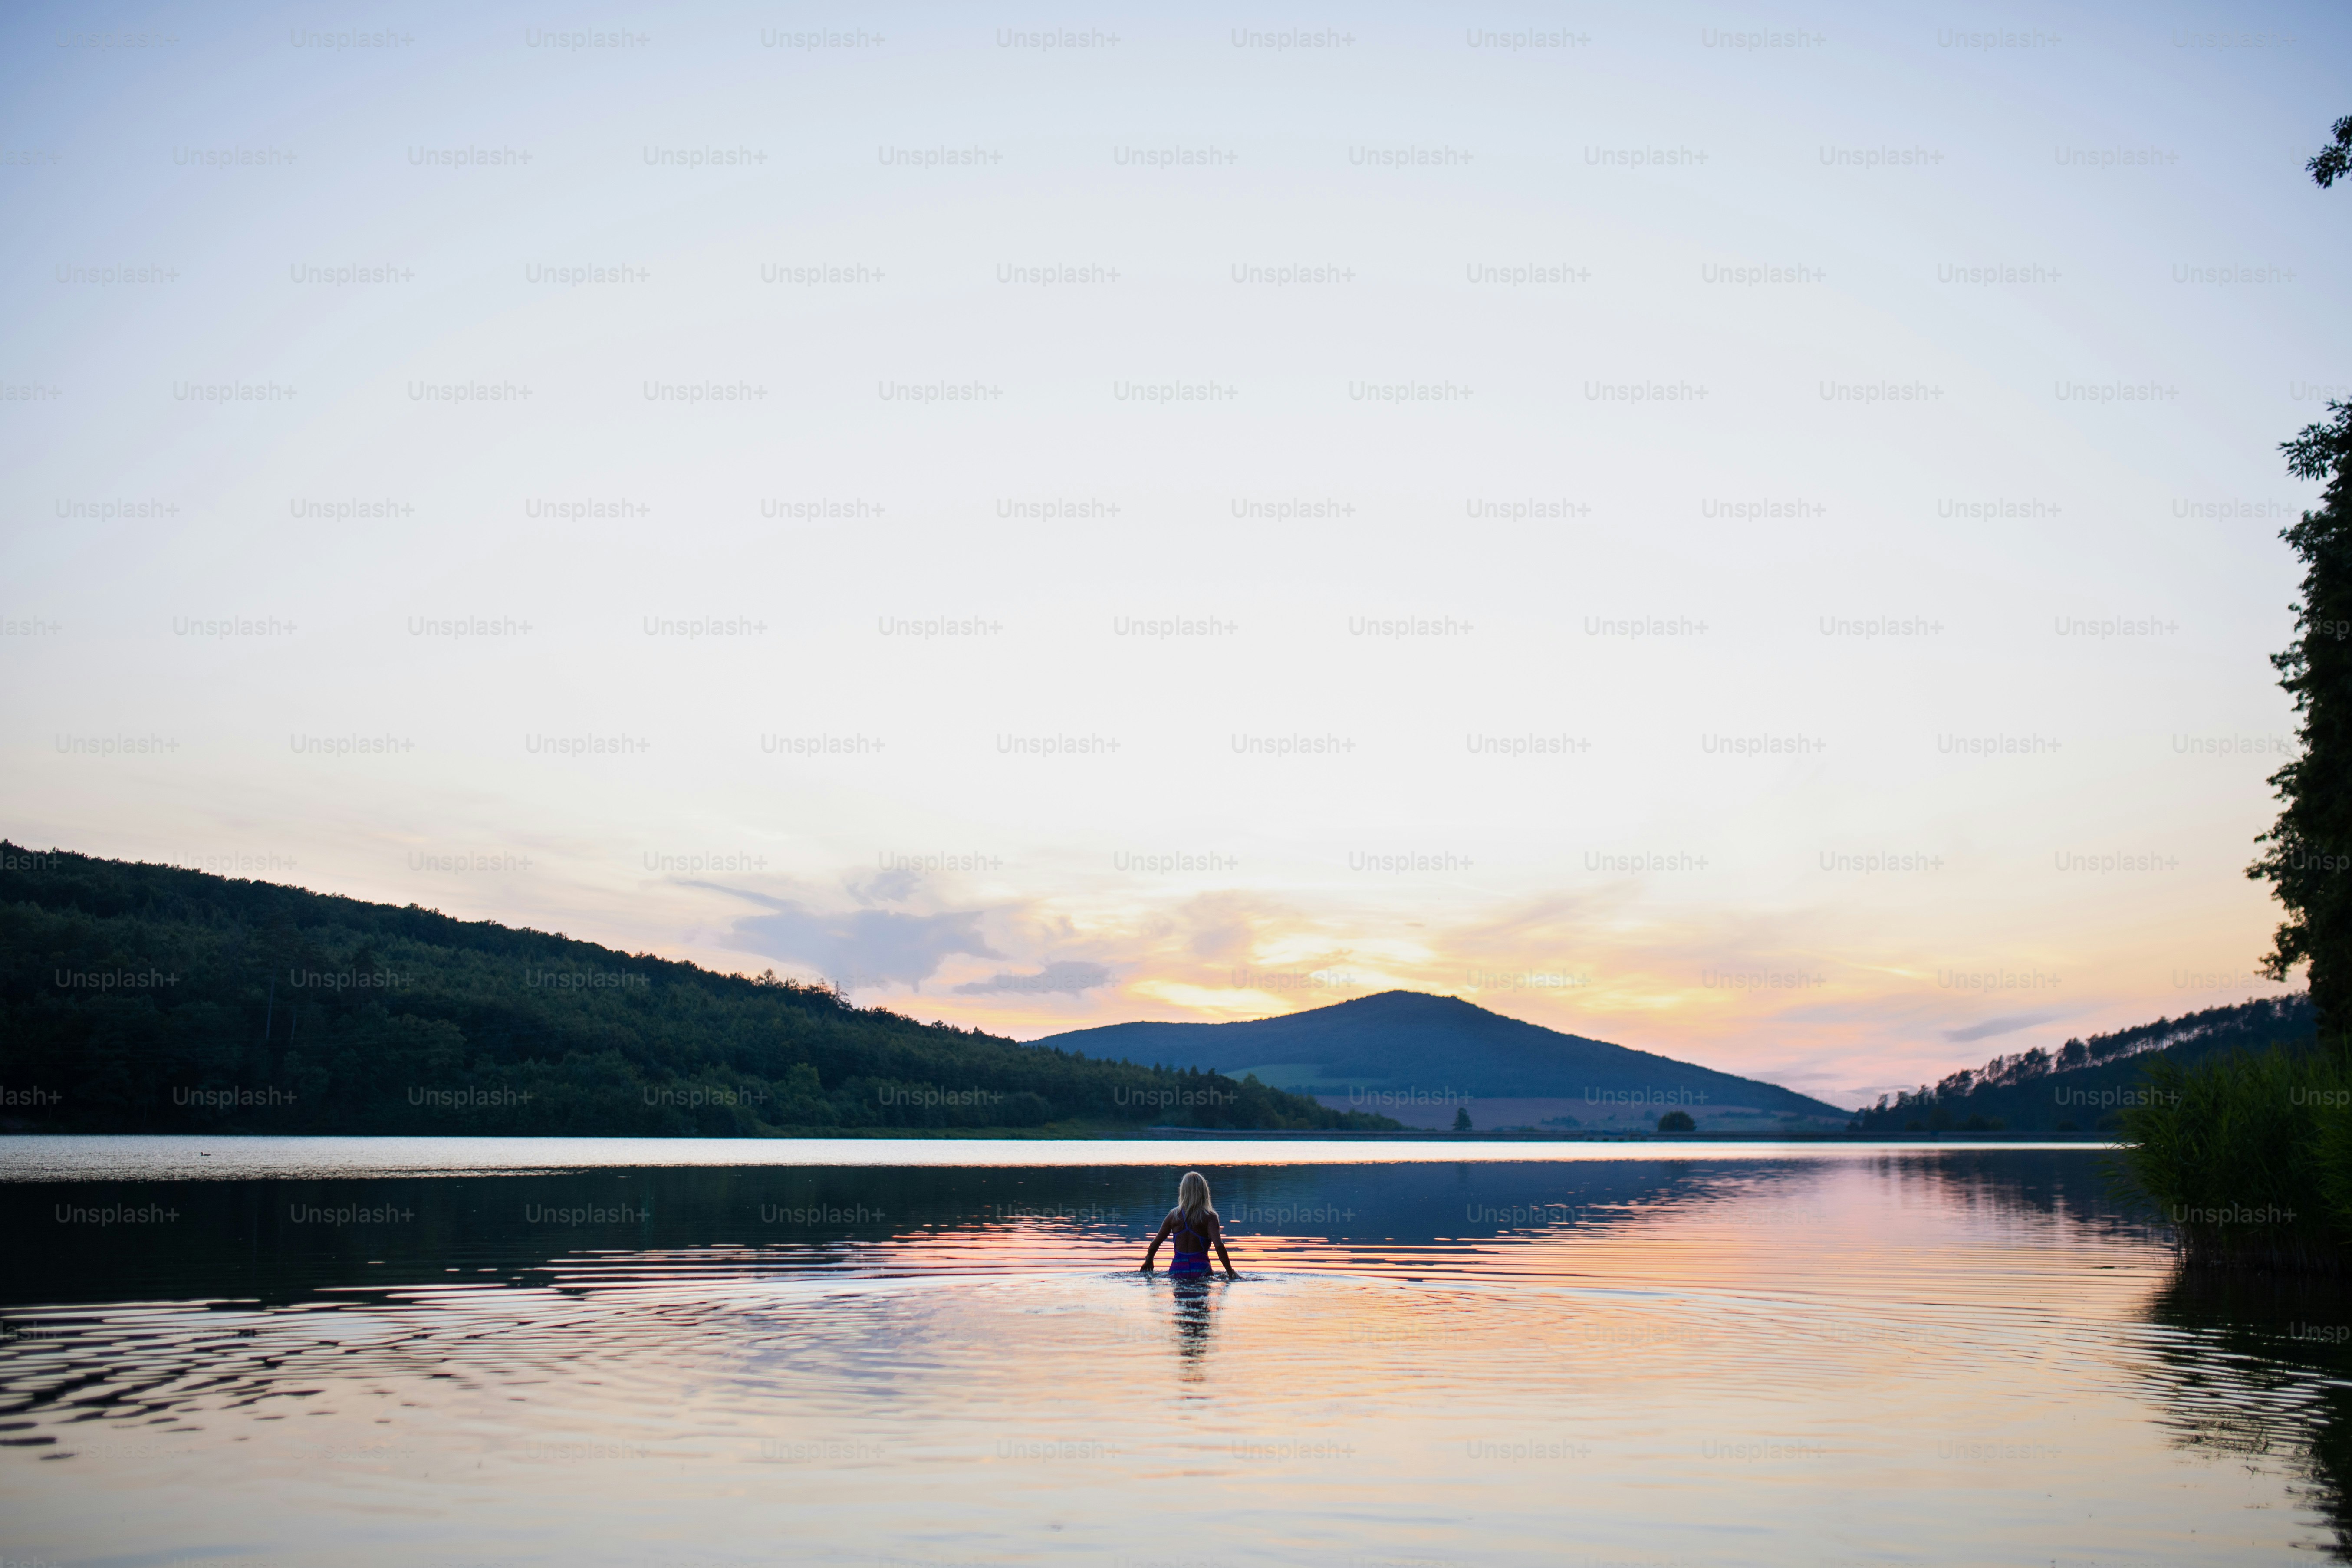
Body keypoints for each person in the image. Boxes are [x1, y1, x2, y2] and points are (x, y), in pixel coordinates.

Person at [1141, 1170, 1237, 1279]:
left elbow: (1155, 1244)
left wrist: (1149, 1261)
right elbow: (1219, 1246)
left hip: (1177, 1270)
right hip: (1201, 1270)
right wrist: (1230, 1272)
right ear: (1204, 1192)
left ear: (1183, 1192)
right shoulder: (1210, 1217)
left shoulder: (1174, 1216)